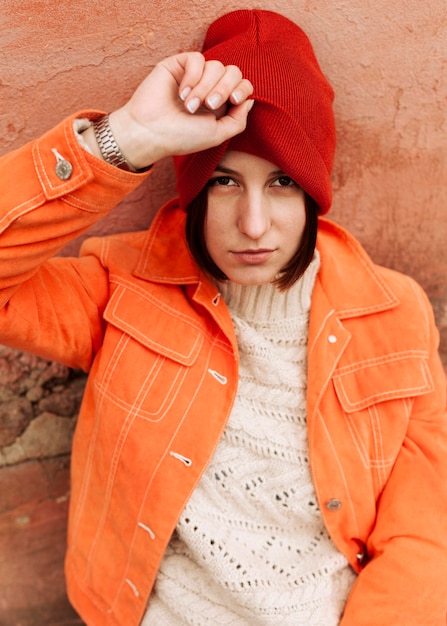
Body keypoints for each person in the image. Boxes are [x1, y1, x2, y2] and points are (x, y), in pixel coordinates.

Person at [0, 8, 446, 626]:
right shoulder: (122, 289)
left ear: (315, 192)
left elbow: (425, 533)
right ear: (194, 191)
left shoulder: (395, 314)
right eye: (226, 183)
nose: (254, 225)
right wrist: (128, 136)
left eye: (284, 181)